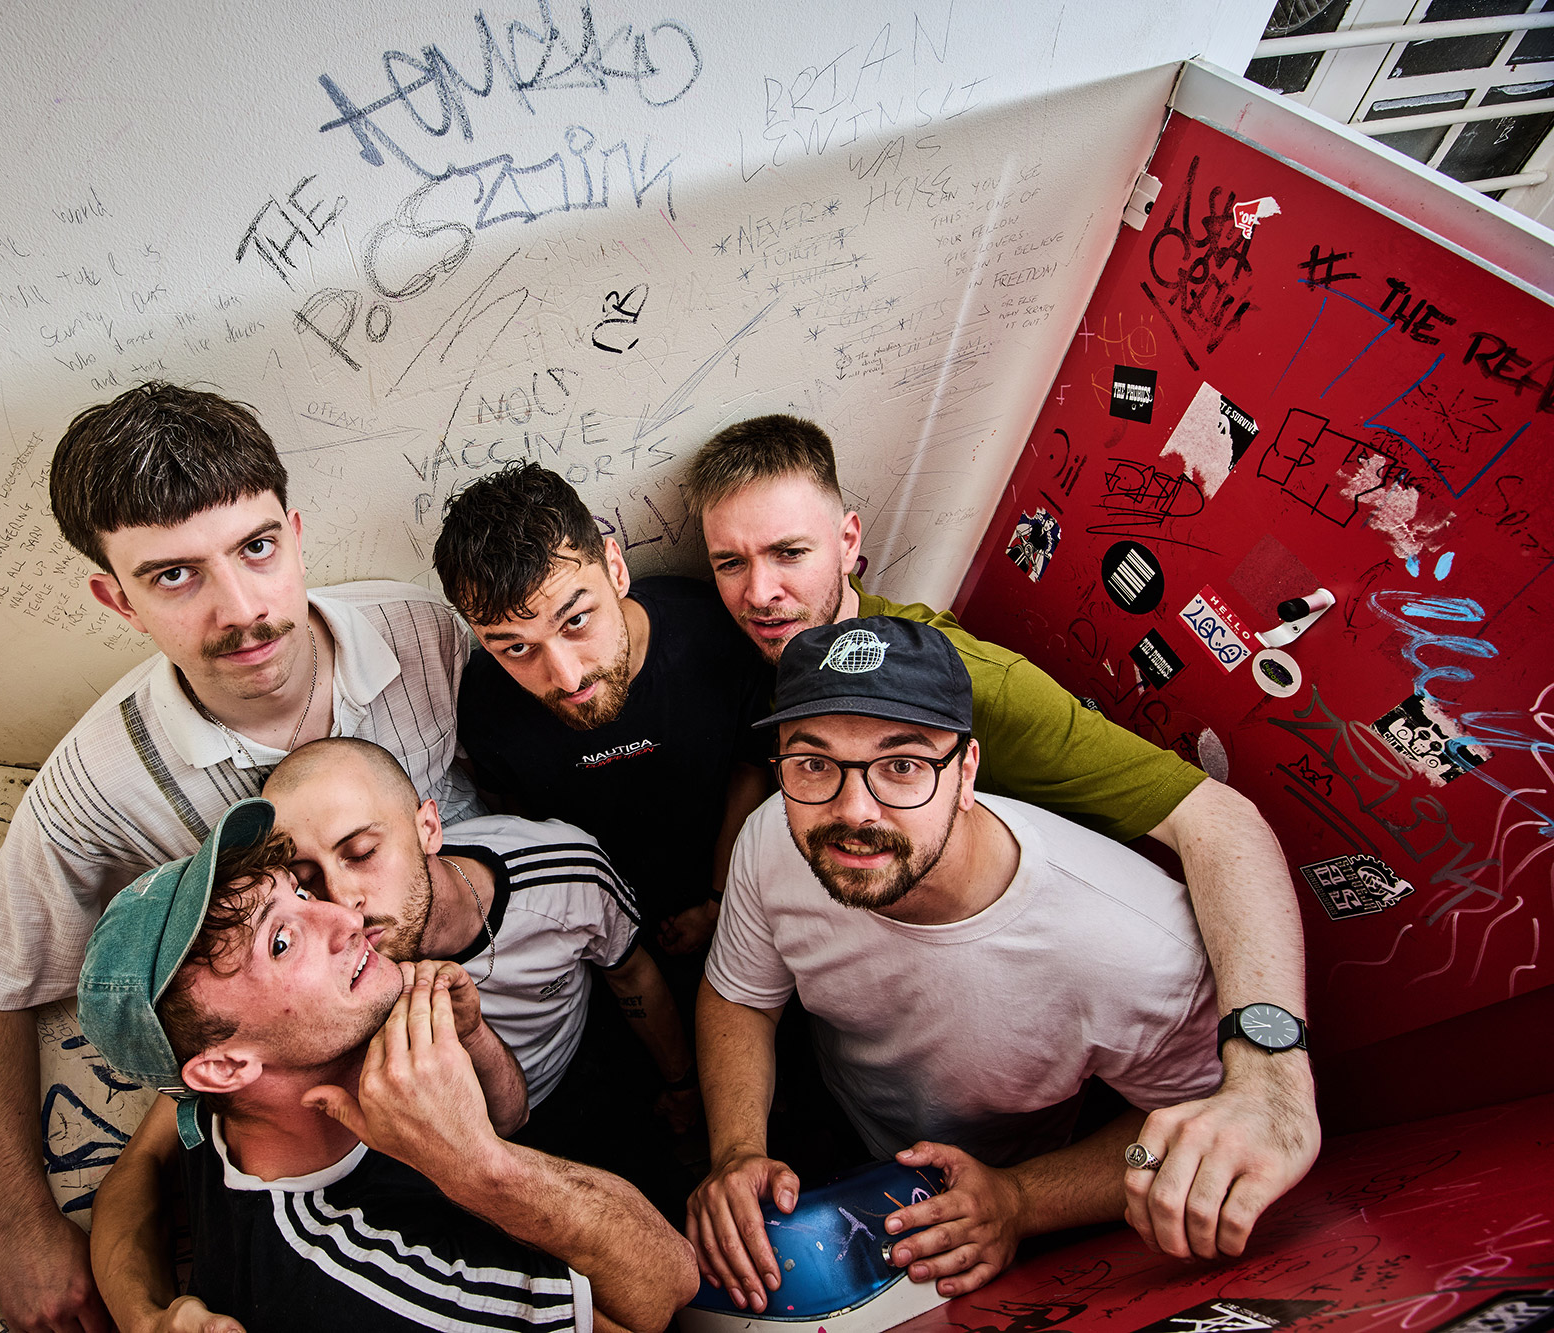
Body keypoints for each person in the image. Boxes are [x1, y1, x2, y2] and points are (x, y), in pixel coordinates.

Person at [683, 414, 1319, 1263]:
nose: (760, 592)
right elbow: (740, 986)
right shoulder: (768, 694)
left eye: (902, 763)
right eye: (730, 563)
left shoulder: (983, 690)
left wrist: (1271, 1068)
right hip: (856, 1071)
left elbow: (1218, 819)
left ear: (848, 541)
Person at [0, 383, 479, 1333]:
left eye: (257, 548)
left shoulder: (430, 634)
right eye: (174, 576)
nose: (242, 609)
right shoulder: (99, 779)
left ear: (296, 536)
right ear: (119, 599)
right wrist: (21, 1222)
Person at [688, 615, 1289, 1310]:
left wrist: (1022, 1198)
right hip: (837, 1119)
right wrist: (737, 1148)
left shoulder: (1134, 949)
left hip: (1009, 1188)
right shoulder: (774, 836)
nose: (854, 812)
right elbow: (741, 995)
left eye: (902, 765)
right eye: (813, 763)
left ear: (966, 770)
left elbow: (1185, 1127)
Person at [78, 798, 699, 1332]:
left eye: (300, 892)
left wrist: (144, 1316)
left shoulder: (231, 1100)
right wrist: (481, 1168)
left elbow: (139, 1167)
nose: (347, 917)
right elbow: (665, 1284)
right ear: (224, 1069)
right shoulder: (365, 1277)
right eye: (282, 942)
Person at [262, 738, 698, 1139]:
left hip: (583, 1073)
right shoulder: (327, 967)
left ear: (428, 828)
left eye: (362, 854)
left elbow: (631, 975)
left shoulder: (564, 876)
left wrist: (681, 1085)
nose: (341, 901)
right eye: (307, 880)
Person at [436, 462, 772, 964]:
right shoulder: (484, 705)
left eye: (576, 620)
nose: (567, 678)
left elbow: (751, 767)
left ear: (615, 569)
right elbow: (521, 825)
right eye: (516, 648)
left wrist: (718, 903)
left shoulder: (712, 631)